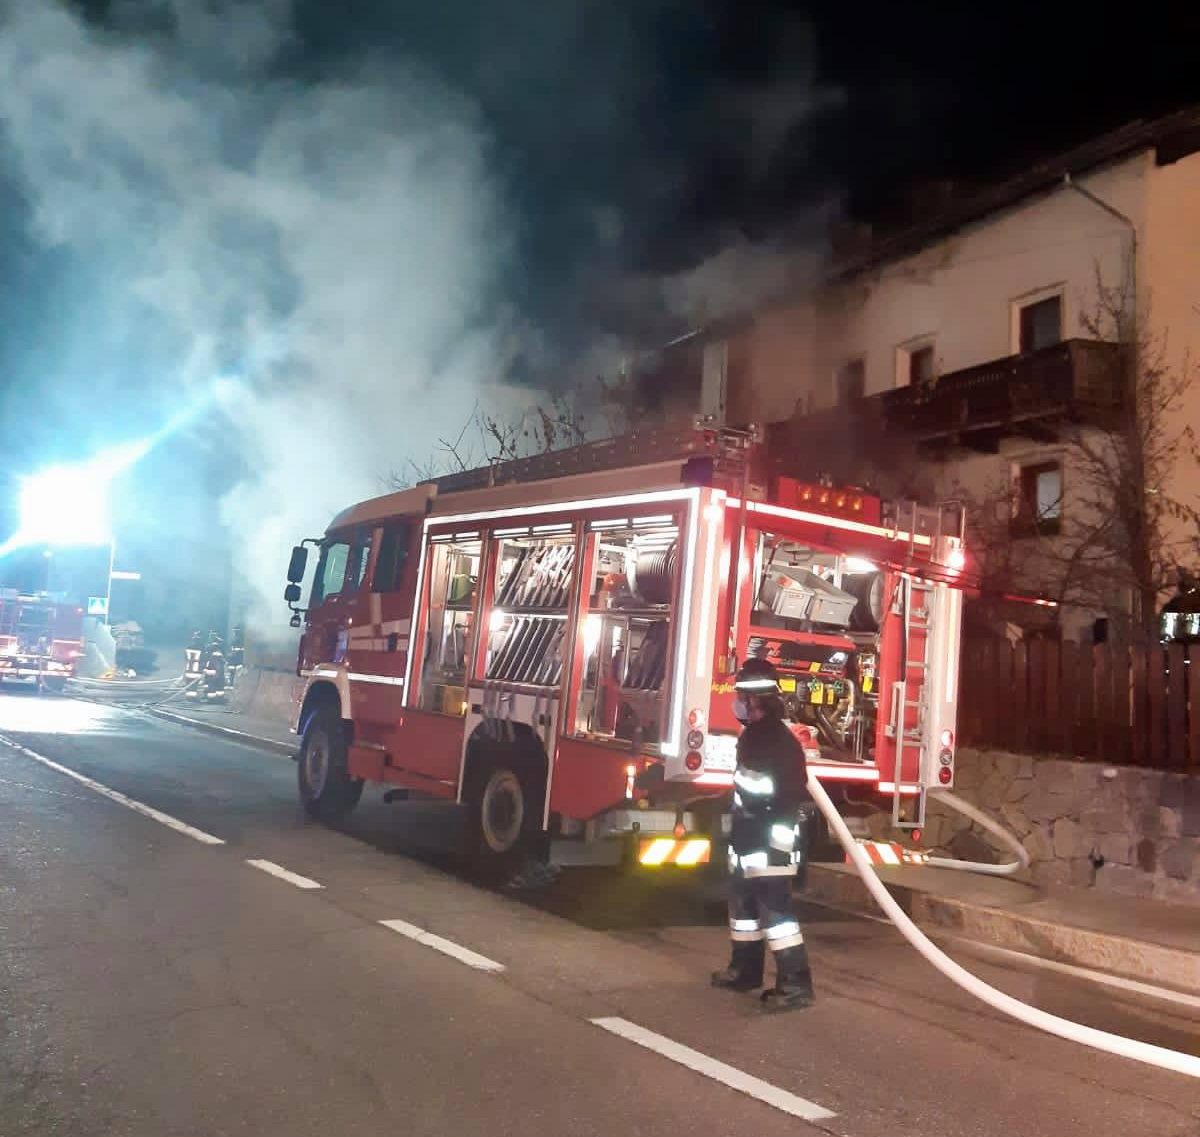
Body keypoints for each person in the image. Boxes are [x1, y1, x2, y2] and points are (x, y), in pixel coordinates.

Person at [711, 656, 815, 1010]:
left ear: (754, 699)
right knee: (744, 909)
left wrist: (742, 790)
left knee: (777, 916)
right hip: (749, 836)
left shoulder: (774, 740)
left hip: (769, 841)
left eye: (741, 695)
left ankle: (796, 985)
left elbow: (775, 791)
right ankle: (745, 971)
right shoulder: (758, 735)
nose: (738, 701)